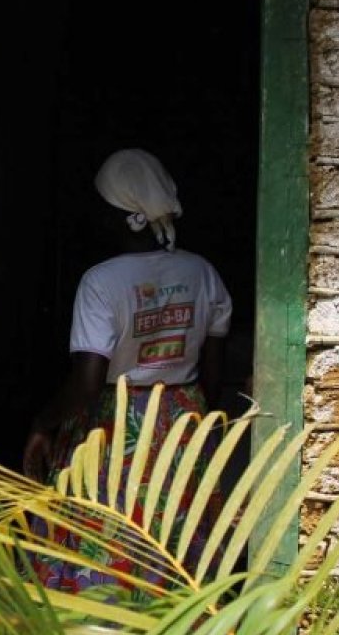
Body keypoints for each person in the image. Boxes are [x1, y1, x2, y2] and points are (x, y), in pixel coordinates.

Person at [23, 148, 231, 592]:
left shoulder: (101, 282)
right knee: (175, 535)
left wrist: (42, 423)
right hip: (183, 421)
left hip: (115, 425)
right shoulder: (202, 273)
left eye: (100, 205)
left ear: (119, 216)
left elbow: (87, 382)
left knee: (107, 535)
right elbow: (214, 373)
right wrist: (189, 421)